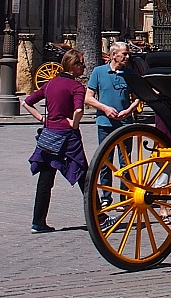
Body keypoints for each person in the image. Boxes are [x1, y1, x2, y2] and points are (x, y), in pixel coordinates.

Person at [22, 49, 88, 234]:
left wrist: (42, 119)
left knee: (46, 179)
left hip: (49, 135)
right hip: (68, 137)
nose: (83, 67)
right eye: (81, 64)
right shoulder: (76, 87)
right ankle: (99, 216)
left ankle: (38, 221)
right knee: (84, 175)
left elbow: (26, 102)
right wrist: (74, 124)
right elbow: (78, 111)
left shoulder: (50, 84)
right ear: (73, 66)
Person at [85, 41, 143, 219]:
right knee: (105, 161)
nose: (127, 57)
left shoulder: (130, 74)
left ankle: (124, 195)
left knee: (126, 162)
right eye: (124, 54)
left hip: (125, 124)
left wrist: (129, 110)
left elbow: (138, 97)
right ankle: (105, 196)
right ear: (113, 55)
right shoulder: (99, 72)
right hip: (105, 123)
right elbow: (88, 97)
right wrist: (105, 108)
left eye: (127, 54)